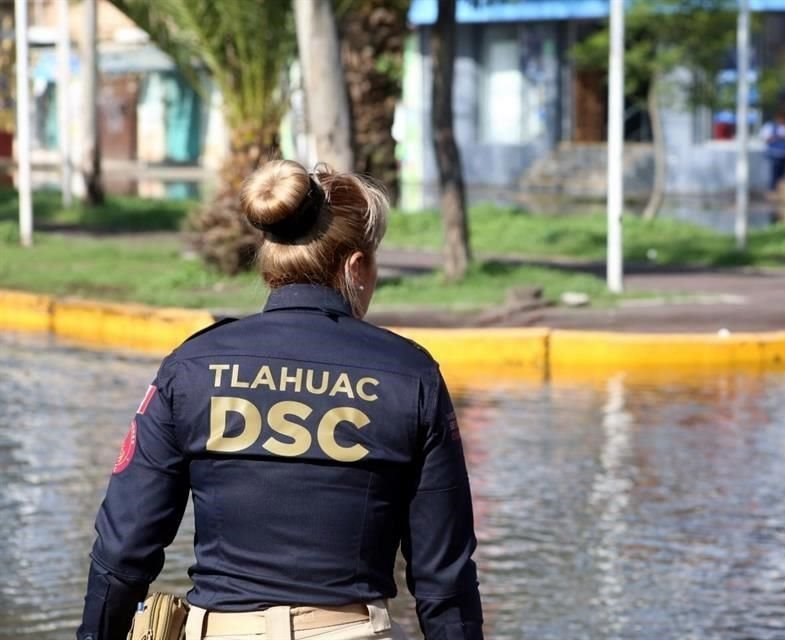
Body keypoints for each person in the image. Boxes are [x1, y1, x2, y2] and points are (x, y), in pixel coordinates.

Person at [76, 160, 484, 640]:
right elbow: (444, 578)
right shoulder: (409, 374)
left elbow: (124, 547)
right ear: (356, 267)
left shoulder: (193, 366)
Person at [761, 112, 785, 190]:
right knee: (773, 173)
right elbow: (766, 139)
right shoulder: (770, 127)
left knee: (782, 173)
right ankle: (772, 188)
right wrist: (777, 137)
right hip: (773, 153)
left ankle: (779, 188)